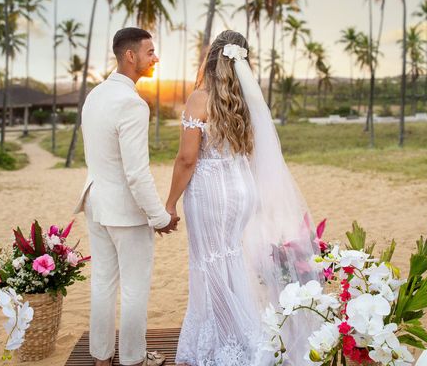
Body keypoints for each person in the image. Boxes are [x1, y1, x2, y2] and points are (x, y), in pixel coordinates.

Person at [166, 30, 320, 366]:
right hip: (241, 190)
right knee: (231, 259)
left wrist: (169, 203)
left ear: (210, 57)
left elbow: (187, 159)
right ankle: (240, 335)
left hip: (212, 194)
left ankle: (233, 344)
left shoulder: (199, 98)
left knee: (210, 265)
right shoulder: (245, 100)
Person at [74, 27, 179, 366]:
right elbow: (136, 173)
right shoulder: (132, 103)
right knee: (134, 289)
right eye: (150, 52)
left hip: (96, 202)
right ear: (131, 56)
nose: (156, 57)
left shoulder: (96, 95)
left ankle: (101, 356)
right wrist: (159, 217)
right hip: (125, 211)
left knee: (102, 283)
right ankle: (133, 358)